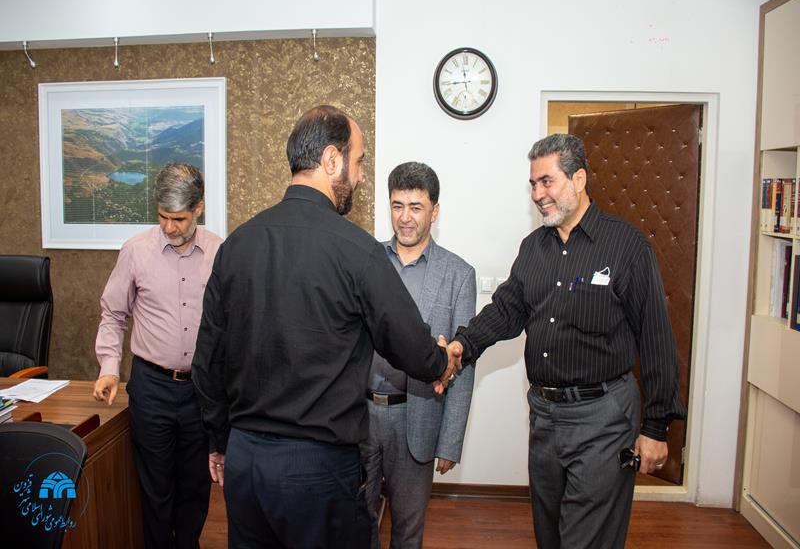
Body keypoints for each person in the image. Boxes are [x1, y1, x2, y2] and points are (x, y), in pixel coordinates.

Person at [191, 105, 461, 549]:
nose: (361, 177)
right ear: (332, 160)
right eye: (359, 162)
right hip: (316, 469)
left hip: (245, 460)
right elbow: (410, 347)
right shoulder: (357, 250)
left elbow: (206, 362)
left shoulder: (236, 244)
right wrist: (441, 360)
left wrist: (220, 440)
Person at [447, 133, 686, 549]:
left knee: (587, 539)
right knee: (550, 533)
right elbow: (506, 311)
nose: (538, 194)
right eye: (533, 184)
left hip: (604, 418)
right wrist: (461, 347)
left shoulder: (627, 247)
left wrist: (655, 427)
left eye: (547, 181)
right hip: (544, 417)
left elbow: (656, 340)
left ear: (579, 179)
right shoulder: (533, 248)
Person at [92, 163, 222, 549]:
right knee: (155, 488)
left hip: (200, 390)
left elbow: (231, 323)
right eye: (163, 216)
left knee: (195, 487)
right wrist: (109, 368)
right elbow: (113, 313)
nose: (169, 227)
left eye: (178, 218)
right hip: (151, 386)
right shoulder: (136, 251)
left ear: (198, 208)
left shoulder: (219, 252)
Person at [361, 162, 476, 549]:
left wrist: (450, 441)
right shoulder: (367, 261)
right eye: (397, 206)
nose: (405, 218)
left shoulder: (459, 274)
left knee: (408, 530)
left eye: (415, 207)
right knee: (355, 521)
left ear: (434, 211)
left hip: (418, 418)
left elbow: (464, 362)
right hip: (360, 417)